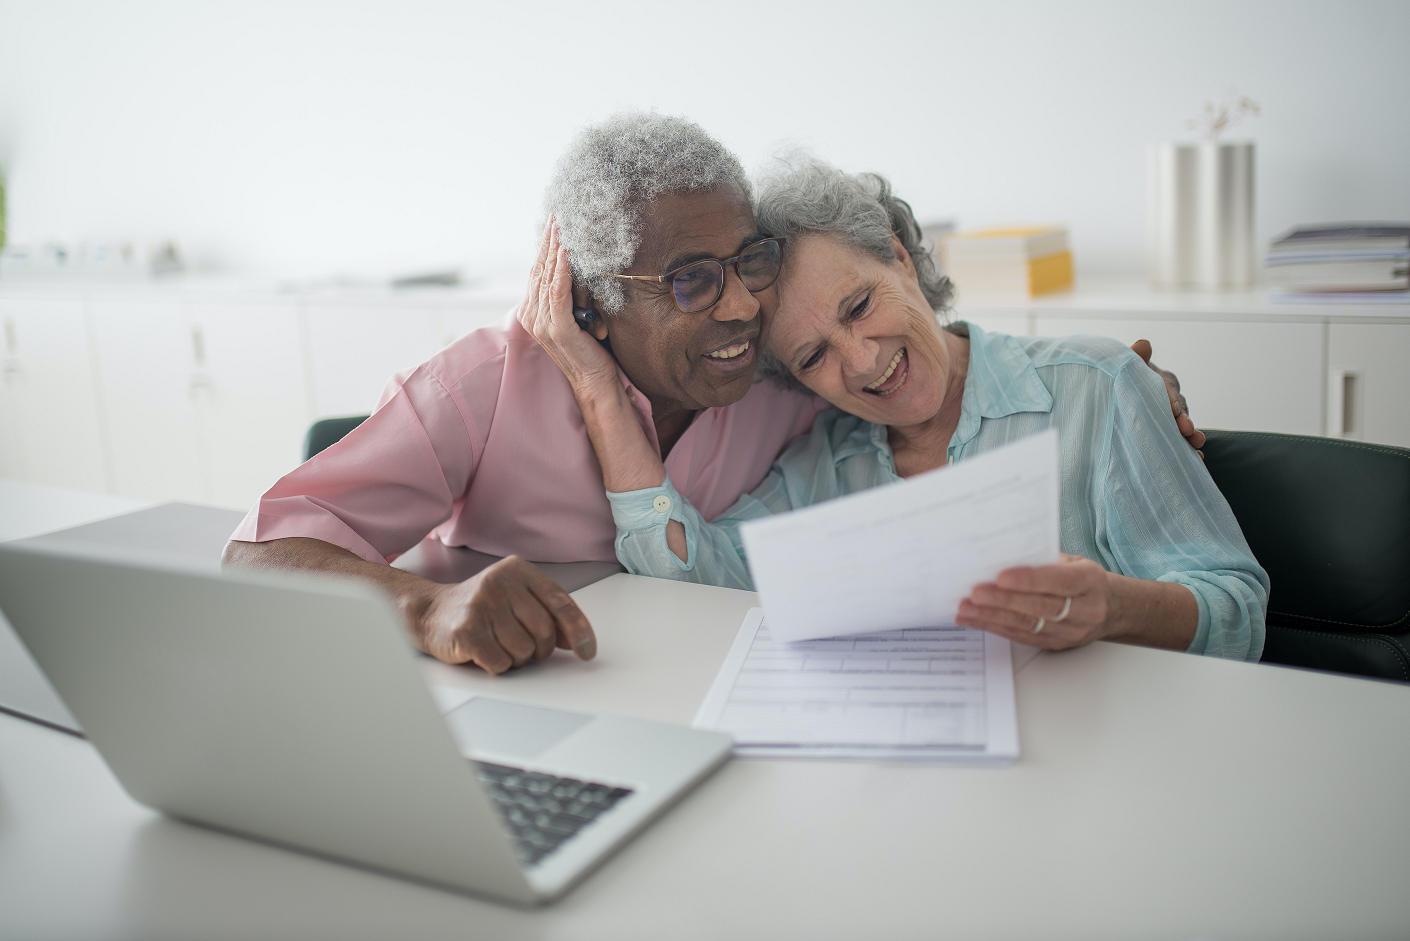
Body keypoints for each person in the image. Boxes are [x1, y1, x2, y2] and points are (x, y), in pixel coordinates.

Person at [224, 113, 1202, 674]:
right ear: (596, 301)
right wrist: (425, 607)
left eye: (750, 260)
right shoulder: (485, 387)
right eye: (692, 279)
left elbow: (915, 359)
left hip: (699, 700)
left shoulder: (788, 376)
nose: (742, 304)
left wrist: (1123, 381)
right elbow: (255, 556)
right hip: (502, 708)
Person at [521, 158, 1267, 661]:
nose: (862, 360)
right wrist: (597, 389)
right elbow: (689, 585)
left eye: (858, 305)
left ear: (899, 259)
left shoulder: (1096, 386)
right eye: (812, 357)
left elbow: (1238, 608)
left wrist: (1113, 607)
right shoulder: (825, 462)